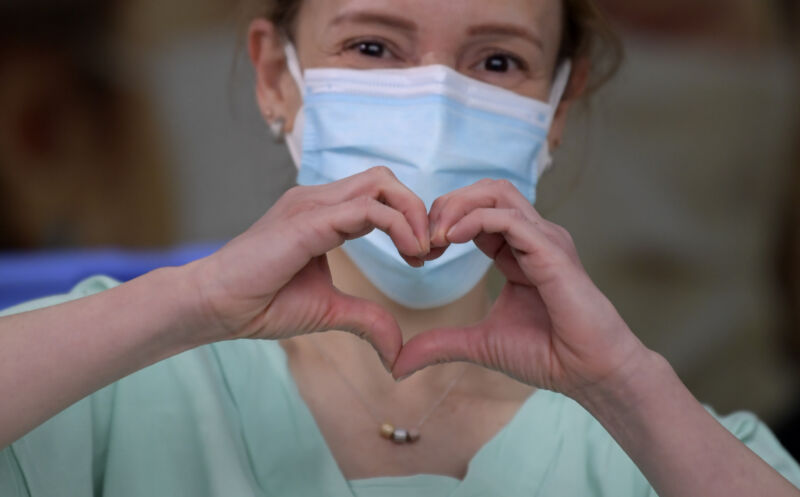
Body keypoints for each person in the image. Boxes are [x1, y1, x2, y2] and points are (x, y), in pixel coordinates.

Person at [1, 0, 799, 496]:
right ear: (275, 77)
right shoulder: (112, 386)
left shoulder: (655, 443)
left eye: (497, 61)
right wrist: (193, 299)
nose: (438, 106)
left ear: (557, 109)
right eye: (373, 48)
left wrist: (627, 380)